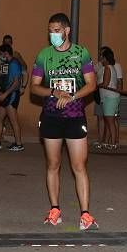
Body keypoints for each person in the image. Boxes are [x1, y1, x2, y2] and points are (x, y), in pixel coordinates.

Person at [30, 12, 98, 229]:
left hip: (75, 115)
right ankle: (54, 209)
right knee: (53, 164)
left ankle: (85, 214)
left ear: (67, 31)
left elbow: (91, 84)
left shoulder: (81, 53)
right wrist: (53, 92)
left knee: (79, 165)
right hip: (51, 116)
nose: (53, 34)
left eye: (57, 30)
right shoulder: (44, 55)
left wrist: (72, 96)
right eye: (50, 31)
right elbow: (34, 86)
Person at [0, 44, 24, 151]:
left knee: (13, 120)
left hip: (11, 95)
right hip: (5, 95)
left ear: (5, 53)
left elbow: (16, 83)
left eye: (0, 54)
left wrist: (5, 94)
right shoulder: (8, 63)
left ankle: (19, 144)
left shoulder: (14, 64)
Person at [97, 46, 122, 151]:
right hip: (111, 97)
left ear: (105, 58)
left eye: (102, 57)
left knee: (110, 121)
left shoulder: (108, 68)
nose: (100, 59)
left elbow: (105, 83)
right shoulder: (112, 67)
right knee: (109, 120)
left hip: (109, 97)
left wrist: (96, 85)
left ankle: (113, 143)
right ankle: (108, 142)